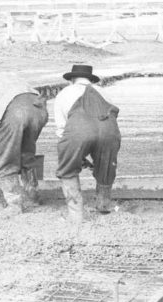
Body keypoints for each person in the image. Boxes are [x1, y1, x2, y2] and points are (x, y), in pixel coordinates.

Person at [52, 64, 121, 232]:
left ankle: (76, 217)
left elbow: (61, 130)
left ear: (71, 80)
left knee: (67, 170)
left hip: (78, 131)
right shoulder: (105, 93)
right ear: (90, 79)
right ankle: (103, 206)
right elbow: (112, 117)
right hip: (109, 131)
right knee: (106, 168)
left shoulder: (64, 94)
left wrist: (74, 155)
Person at [0, 71, 47, 213]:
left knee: (4, 160)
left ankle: (14, 204)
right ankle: (34, 196)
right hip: (39, 108)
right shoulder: (10, 77)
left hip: (14, 112)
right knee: (28, 153)